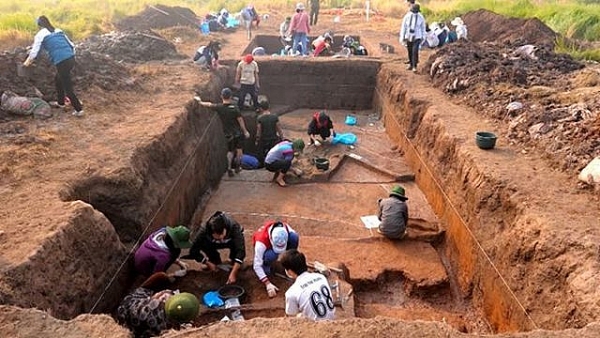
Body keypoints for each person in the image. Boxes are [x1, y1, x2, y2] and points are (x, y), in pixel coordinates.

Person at [23, 15, 84, 117]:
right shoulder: (58, 30)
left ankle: (79, 110)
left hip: (61, 61)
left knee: (67, 86)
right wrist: (70, 55)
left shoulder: (40, 34)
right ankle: (61, 103)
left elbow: (34, 52)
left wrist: (26, 63)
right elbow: (72, 45)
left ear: (39, 25)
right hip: (71, 58)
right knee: (58, 79)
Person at [116, 272, 200, 337]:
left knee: (161, 276)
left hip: (124, 311)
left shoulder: (157, 302)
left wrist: (159, 296)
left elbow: (154, 298)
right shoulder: (171, 330)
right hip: (137, 332)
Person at [196, 88, 251, 176]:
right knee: (239, 150)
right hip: (238, 133)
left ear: (221, 96)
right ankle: (237, 167)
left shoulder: (219, 107)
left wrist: (200, 102)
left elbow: (209, 105)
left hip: (228, 134)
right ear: (231, 96)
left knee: (230, 151)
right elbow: (240, 121)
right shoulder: (235, 108)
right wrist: (245, 131)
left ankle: (229, 168)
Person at [187, 211, 246, 284]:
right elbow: (193, 251)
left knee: (236, 248)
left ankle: (234, 262)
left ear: (225, 228)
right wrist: (207, 263)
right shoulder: (203, 232)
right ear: (211, 233)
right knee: (204, 244)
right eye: (218, 237)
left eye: (223, 235)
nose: (221, 239)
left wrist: (233, 273)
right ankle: (214, 261)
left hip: (230, 242)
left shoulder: (234, 226)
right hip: (212, 244)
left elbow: (241, 250)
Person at [279, 249, 335, 320]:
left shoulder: (291, 292)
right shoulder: (321, 277)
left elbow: (291, 319)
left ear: (290, 271)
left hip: (314, 328)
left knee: (297, 317)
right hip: (332, 321)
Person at [252, 220, 300, 297]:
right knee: (270, 256)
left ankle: (289, 264)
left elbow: (293, 243)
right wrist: (267, 283)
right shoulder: (260, 243)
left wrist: (292, 259)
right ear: (271, 238)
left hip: (275, 242)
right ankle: (266, 265)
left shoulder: (286, 229)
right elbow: (256, 265)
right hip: (267, 250)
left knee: (294, 237)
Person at [399, 4, 426, 72]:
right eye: (414, 11)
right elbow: (403, 27)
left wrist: (423, 37)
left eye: (416, 12)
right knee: (410, 50)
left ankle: (414, 66)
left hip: (417, 36)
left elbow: (423, 27)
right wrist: (402, 37)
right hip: (408, 35)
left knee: (415, 51)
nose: (415, 13)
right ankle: (411, 64)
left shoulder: (421, 17)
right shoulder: (407, 16)